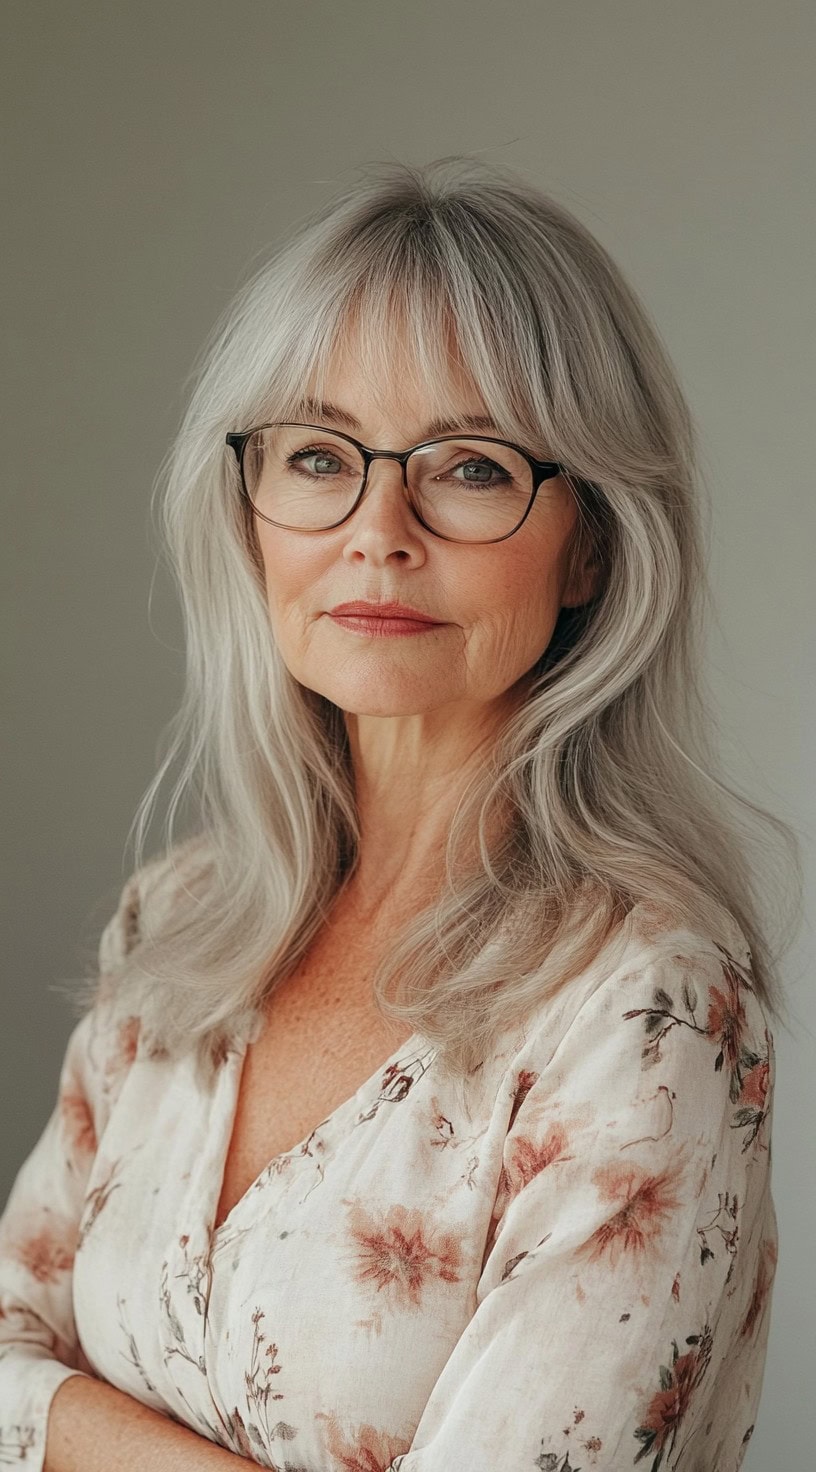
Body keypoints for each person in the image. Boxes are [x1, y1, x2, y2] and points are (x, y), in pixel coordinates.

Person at [0, 157, 797, 1472]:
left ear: (593, 544)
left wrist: (75, 1433)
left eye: (469, 468)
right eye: (319, 457)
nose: (378, 530)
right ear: (250, 512)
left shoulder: (652, 1006)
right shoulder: (177, 922)